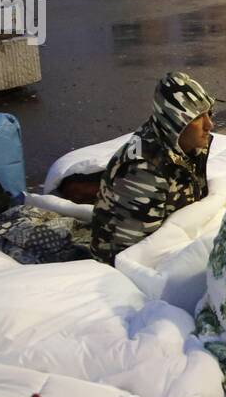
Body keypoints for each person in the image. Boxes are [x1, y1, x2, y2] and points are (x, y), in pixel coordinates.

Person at [90, 71, 217, 263]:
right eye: (198, 118)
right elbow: (129, 255)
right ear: (175, 122)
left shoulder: (184, 145)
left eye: (209, 113)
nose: (210, 124)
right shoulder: (144, 170)